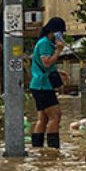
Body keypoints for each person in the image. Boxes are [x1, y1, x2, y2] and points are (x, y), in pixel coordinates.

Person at [29, 17, 68, 149]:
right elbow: (46, 63)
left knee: (44, 118)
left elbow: (46, 65)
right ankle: (53, 149)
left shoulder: (45, 43)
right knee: (55, 115)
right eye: (60, 33)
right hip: (42, 86)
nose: (61, 36)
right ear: (54, 32)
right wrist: (58, 50)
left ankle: (38, 148)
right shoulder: (45, 44)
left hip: (40, 85)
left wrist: (59, 72)